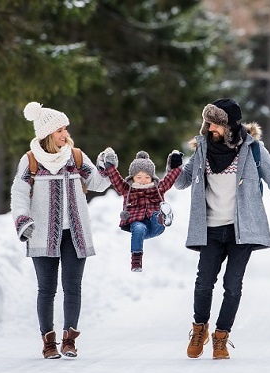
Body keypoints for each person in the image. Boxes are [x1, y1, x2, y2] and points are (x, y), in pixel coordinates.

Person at [175, 98, 270, 359]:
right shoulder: (202, 149)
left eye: (214, 124)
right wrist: (173, 166)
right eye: (207, 122)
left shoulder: (253, 150)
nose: (209, 128)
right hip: (209, 228)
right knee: (203, 284)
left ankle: (221, 337)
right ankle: (199, 329)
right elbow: (181, 182)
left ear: (229, 125)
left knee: (232, 285)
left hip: (241, 230)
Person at [10, 101, 113, 359]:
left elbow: (97, 183)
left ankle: (69, 341)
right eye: (60, 130)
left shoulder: (75, 157)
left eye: (65, 129)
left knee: (73, 287)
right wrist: (23, 221)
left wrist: (107, 166)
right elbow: (19, 193)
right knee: (46, 289)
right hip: (42, 234)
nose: (65, 134)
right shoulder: (31, 160)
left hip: (74, 234)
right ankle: (48, 343)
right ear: (47, 134)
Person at [97, 148, 184, 271]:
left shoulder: (158, 188)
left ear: (152, 177)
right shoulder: (127, 189)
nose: (143, 180)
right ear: (133, 178)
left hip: (155, 226)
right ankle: (136, 261)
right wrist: (109, 165)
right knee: (138, 227)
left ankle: (163, 217)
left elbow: (170, 178)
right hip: (137, 225)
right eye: (139, 177)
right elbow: (115, 179)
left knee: (155, 215)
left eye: (147, 177)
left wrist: (176, 164)